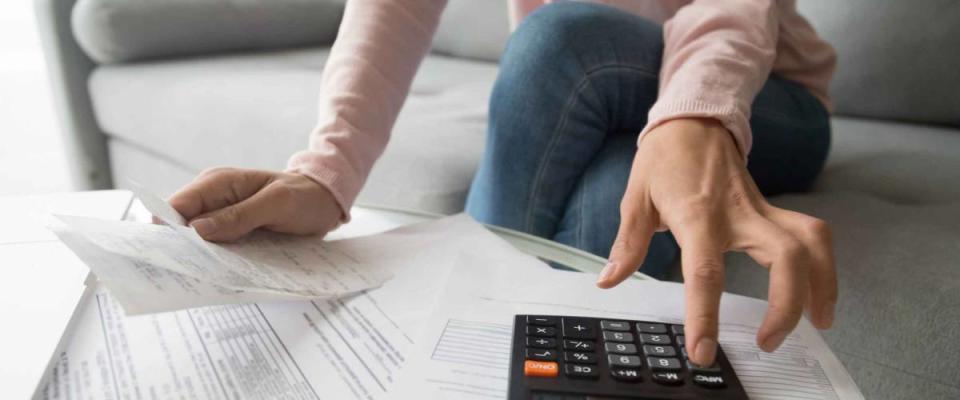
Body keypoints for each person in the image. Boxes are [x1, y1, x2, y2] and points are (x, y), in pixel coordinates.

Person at [166, 0, 838, 367]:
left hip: (763, 94)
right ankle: (485, 369)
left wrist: (692, 119)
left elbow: (734, 11)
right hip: (602, 103)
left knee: (557, 36)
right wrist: (323, 174)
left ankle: (457, 348)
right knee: (612, 200)